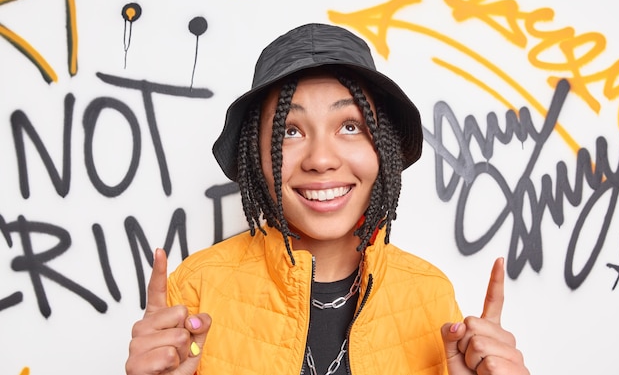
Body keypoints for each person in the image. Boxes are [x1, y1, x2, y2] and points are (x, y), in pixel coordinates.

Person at [125, 23, 530, 375]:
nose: (320, 159)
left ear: (381, 149)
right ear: (256, 157)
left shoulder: (430, 294)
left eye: (350, 126)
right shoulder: (195, 290)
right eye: (290, 131)